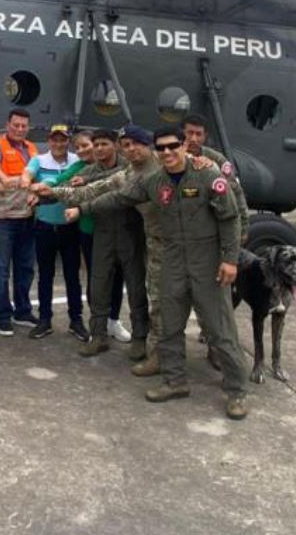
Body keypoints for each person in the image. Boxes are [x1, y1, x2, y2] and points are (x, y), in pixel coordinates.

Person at [44, 126, 251, 419]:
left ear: (183, 146)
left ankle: (237, 390)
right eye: (161, 148)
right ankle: (175, 380)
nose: (167, 152)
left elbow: (230, 218)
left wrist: (229, 259)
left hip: (206, 259)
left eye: (172, 146)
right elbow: (117, 197)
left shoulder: (208, 175)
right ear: (156, 150)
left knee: (220, 328)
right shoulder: (154, 181)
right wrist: (81, 207)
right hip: (172, 257)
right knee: (168, 324)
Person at [75, 127, 149, 357]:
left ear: (116, 145)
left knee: (136, 287)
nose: (98, 149)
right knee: (98, 286)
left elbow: (113, 182)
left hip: (131, 232)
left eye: (104, 144)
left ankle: (140, 338)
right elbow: (72, 188)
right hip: (103, 232)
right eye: (95, 145)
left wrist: (87, 180)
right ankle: (98, 336)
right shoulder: (87, 170)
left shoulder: (129, 167)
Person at [26, 123, 87, 340]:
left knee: (72, 275)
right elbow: (28, 173)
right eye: (55, 139)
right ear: (49, 141)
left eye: (63, 139)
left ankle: (76, 320)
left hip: (69, 227)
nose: (59, 143)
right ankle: (45, 320)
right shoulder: (39, 160)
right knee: (45, 275)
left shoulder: (77, 161)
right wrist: (27, 185)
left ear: (68, 141)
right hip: (45, 226)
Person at [0, 108, 38, 335]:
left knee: (25, 267)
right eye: (16, 125)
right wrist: (6, 180)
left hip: (26, 215)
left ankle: (23, 311)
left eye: (24, 126)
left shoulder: (32, 148)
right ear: (8, 124)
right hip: (3, 218)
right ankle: (3, 315)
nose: (19, 129)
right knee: (2, 268)